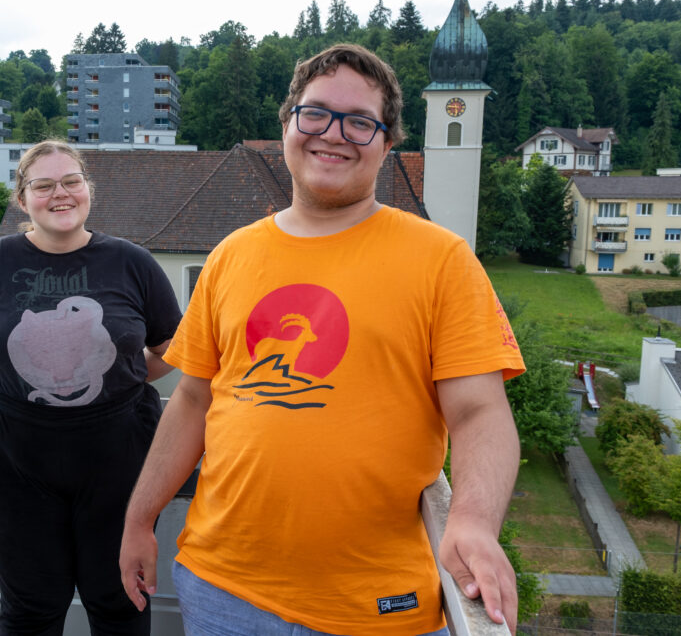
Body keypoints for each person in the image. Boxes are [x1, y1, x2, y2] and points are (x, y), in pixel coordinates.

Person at [119, 44, 526, 636]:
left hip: (375, 606)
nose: (334, 134)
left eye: (361, 121)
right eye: (316, 113)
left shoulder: (442, 260)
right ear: (288, 125)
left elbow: (479, 411)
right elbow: (192, 402)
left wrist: (474, 519)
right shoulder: (232, 255)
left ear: (388, 145)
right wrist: (139, 516)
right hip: (220, 589)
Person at [0, 140, 181, 636]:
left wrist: (117, 384)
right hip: (11, 463)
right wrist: (21, 386)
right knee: (31, 607)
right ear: (22, 200)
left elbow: (172, 346)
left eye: (71, 181)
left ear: (88, 189)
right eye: (43, 185)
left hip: (120, 458)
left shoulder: (132, 263)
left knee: (120, 600)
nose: (60, 194)